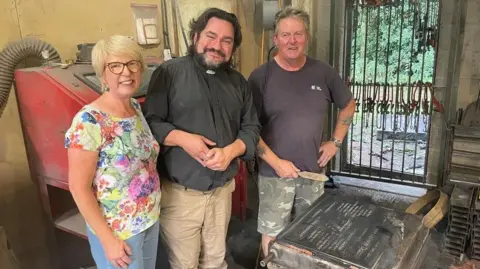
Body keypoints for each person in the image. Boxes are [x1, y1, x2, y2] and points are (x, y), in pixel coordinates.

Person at [142, 7, 261, 269]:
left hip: (221, 193)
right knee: (185, 264)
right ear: (196, 36)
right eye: (211, 36)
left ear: (233, 47)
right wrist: (183, 138)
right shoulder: (169, 73)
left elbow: (251, 127)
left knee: (216, 261)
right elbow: (150, 123)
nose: (217, 45)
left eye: (226, 40)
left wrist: (230, 152)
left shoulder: (238, 83)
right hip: (182, 196)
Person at [248, 7, 356, 258]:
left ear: (307, 37)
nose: (292, 41)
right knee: (272, 235)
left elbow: (349, 104)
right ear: (275, 39)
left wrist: (335, 142)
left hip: (312, 173)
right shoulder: (260, 78)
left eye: (298, 34)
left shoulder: (324, 72)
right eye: (285, 35)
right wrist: (276, 162)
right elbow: (248, 128)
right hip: (274, 174)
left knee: (309, 233)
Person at [65, 35, 163, 269]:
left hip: (148, 219)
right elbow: (78, 187)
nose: (126, 72)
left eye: (132, 64)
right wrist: (107, 240)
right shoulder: (89, 120)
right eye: (115, 66)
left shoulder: (135, 108)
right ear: (103, 74)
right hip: (118, 232)